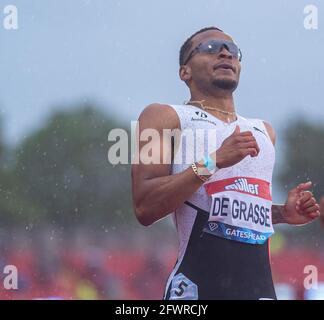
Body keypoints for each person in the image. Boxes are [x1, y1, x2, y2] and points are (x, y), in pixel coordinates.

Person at [131, 26, 320, 300]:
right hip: (196, 290)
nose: (224, 53)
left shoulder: (264, 131)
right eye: (210, 48)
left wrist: (281, 214)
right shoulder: (163, 117)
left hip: (261, 292)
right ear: (185, 71)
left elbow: (228, 211)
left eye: (233, 51)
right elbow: (145, 207)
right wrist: (214, 161)